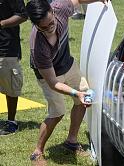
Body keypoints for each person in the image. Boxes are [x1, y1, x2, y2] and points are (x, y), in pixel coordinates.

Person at [25, 0, 108, 161]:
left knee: (83, 100)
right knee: (57, 114)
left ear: (53, 11)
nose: (50, 28)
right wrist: (76, 93)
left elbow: (77, 0)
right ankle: (38, 152)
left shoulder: (60, 8)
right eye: (44, 27)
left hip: (68, 64)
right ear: (35, 25)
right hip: (50, 76)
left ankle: (71, 141)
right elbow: (53, 83)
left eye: (51, 23)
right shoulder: (38, 48)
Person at [0, 0, 27, 135]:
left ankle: (11, 122)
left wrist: (2, 23)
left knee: (11, 87)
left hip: (6, 49)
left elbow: (23, 14)